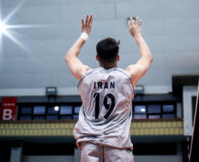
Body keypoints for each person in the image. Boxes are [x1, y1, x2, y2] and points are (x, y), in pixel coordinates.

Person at [65, 14, 153, 162]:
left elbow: (69, 57)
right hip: (118, 147)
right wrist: (137, 34)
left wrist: (84, 34)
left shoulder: (86, 75)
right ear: (118, 57)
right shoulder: (128, 76)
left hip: (90, 146)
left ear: (96, 57)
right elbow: (147, 58)